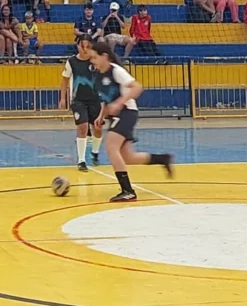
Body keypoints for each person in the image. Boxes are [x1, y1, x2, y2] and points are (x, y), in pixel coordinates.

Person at [89, 40, 174, 202]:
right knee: (128, 157)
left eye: (94, 57)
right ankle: (162, 159)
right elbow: (105, 99)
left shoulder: (116, 71)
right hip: (116, 116)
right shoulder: (98, 75)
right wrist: (101, 116)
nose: (92, 61)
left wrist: (119, 103)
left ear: (104, 56)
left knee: (111, 146)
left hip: (127, 112)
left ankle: (127, 191)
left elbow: (137, 87)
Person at [58, 36, 103, 172]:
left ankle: (95, 152)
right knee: (82, 127)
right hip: (78, 100)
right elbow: (65, 81)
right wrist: (63, 98)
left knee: (97, 128)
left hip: (95, 99)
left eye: (87, 46)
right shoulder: (71, 61)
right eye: (82, 46)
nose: (84, 49)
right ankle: (81, 160)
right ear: (77, 46)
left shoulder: (96, 60)